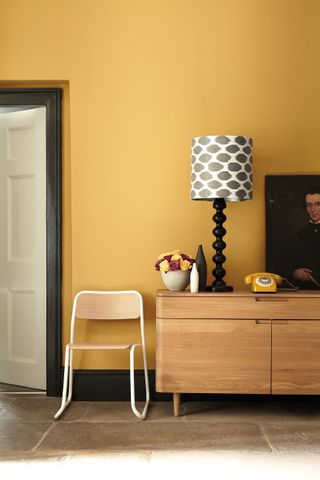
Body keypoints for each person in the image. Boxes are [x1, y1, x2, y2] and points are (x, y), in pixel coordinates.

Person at [281, 187, 320, 289]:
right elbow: (283, 266)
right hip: (304, 292)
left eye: (317, 204)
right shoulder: (298, 235)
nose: (313, 209)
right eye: (309, 205)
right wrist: (294, 273)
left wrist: (313, 277)